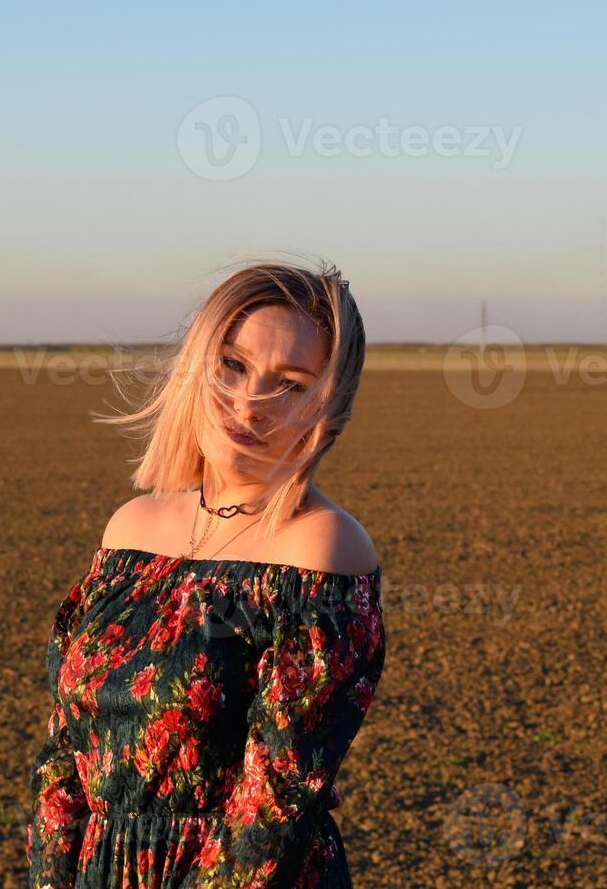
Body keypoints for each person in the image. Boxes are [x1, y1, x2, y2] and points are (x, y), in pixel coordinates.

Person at [25, 256, 387, 888]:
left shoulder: (320, 555)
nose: (251, 402)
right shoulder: (130, 531)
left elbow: (272, 811)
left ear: (329, 408)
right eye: (233, 365)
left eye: (292, 384)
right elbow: (65, 755)